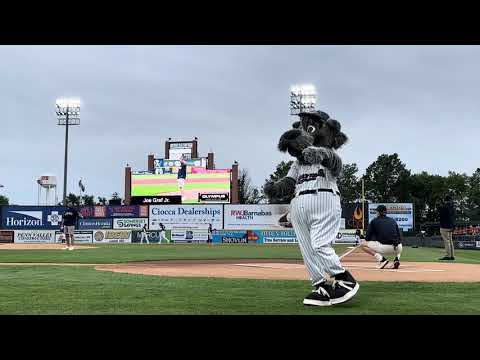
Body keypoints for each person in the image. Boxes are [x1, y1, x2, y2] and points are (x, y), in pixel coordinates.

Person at [360, 205, 403, 269]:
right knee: (399, 242)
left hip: (385, 248)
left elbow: (367, 238)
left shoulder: (374, 221)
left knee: (362, 245)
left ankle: (382, 260)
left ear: (378, 212)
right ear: (386, 212)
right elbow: (399, 237)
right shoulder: (393, 220)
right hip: (398, 248)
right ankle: (396, 259)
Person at [438, 195, 455, 261]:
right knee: (450, 241)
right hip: (450, 226)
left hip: (444, 226)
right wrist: (453, 226)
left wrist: (440, 205)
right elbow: (453, 217)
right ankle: (452, 255)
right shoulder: (452, 207)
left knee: (446, 241)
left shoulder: (444, 206)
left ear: (445, 200)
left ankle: (448, 255)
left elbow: (440, 213)